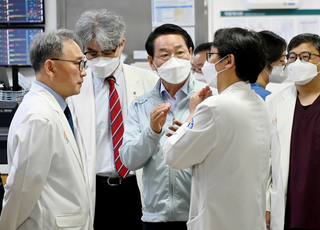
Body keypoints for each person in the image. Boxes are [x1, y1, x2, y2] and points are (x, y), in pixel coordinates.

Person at [163, 27, 270, 230]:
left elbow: (173, 156)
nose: (208, 63)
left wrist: (193, 113)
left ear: (228, 61)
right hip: (249, 219)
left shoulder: (214, 107)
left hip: (217, 222)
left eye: (212, 56)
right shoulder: (258, 102)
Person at [68, 9, 159, 230]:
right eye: (91, 53)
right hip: (95, 188)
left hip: (136, 187)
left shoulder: (149, 81)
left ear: (122, 44)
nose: (100, 60)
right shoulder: (73, 88)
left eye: (107, 52)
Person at [119, 23, 216, 230]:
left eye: (179, 52)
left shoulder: (210, 97)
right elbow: (129, 160)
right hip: (155, 218)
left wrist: (191, 132)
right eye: (164, 55)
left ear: (190, 54)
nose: (173, 60)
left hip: (200, 215)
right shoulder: (141, 105)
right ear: (151, 62)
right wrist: (152, 132)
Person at [0, 29, 92, 230]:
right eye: (78, 63)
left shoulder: (57, 108)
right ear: (50, 67)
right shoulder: (39, 116)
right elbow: (22, 190)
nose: (84, 71)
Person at [266, 33, 320, 230]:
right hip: (289, 204)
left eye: (306, 56)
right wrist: (266, 204)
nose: (297, 62)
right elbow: (267, 157)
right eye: (292, 57)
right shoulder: (274, 101)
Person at [251, 30, 287, 100]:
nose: (284, 63)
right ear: (263, 61)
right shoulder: (266, 97)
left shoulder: (242, 89)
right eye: (281, 60)